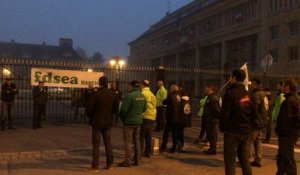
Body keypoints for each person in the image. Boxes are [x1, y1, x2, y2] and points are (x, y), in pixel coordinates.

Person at [220, 69, 252, 175]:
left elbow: (225, 114)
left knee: (230, 161)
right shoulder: (247, 94)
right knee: (244, 159)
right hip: (246, 131)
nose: (230, 79)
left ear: (234, 78)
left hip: (232, 132)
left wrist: (223, 128)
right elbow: (253, 112)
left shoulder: (230, 93)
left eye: (231, 77)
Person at [85, 76, 118, 172]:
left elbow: (89, 109)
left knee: (96, 145)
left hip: (96, 122)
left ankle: (95, 166)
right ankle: (110, 164)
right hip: (108, 121)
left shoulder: (95, 94)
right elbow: (115, 109)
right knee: (108, 144)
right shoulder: (113, 94)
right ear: (107, 83)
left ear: (99, 83)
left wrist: (91, 117)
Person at [119, 80, 146, 167]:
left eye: (129, 86)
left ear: (132, 86)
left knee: (128, 141)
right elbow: (144, 109)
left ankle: (127, 160)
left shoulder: (129, 96)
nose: (128, 87)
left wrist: (124, 119)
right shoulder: (142, 96)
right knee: (136, 140)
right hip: (138, 121)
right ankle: (137, 160)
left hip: (129, 121)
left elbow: (123, 110)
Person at [275, 79, 300, 175]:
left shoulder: (288, 101)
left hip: (287, 135)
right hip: (291, 133)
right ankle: (280, 172)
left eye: (283, 85)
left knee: (288, 159)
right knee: (282, 157)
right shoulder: (296, 98)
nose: (281, 87)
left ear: (287, 87)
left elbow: (285, 120)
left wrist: (280, 131)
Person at [248, 78, 269, 167]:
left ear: (256, 84)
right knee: (258, 140)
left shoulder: (256, 94)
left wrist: (255, 119)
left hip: (257, 121)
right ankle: (258, 159)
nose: (250, 84)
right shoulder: (263, 94)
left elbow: (255, 109)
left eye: (252, 83)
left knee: (249, 140)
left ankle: (246, 159)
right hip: (263, 120)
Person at [161, 84, 183, 153]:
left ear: (172, 89)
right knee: (175, 133)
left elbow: (164, 102)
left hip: (171, 118)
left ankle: (164, 146)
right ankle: (174, 148)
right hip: (178, 118)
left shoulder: (171, 96)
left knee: (166, 133)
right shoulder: (179, 96)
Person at [140, 80, 157, 158]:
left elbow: (141, 106)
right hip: (152, 116)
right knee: (148, 135)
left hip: (145, 116)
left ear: (143, 85)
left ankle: (140, 152)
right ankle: (148, 152)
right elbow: (155, 104)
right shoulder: (152, 94)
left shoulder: (142, 93)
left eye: (140, 84)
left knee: (141, 135)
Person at [202, 85, 220, 155]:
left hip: (212, 120)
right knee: (210, 135)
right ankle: (211, 149)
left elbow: (216, 110)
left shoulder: (212, 98)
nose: (205, 90)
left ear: (211, 90)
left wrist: (214, 118)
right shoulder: (210, 97)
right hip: (209, 120)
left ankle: (213, 149)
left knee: (213, 135)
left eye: (207, 89)